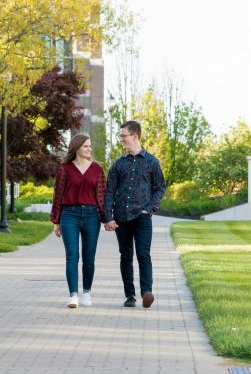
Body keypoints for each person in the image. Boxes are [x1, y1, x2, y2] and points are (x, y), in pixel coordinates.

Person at [103, 120, 166, 308]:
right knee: (125, 256)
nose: (121, 139)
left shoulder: (152, 162)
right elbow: (109, 191)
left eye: (124, 136)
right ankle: (130, 295)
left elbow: (160, 188)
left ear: (135, 136)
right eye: (120, 136)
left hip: (142, 217)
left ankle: (147, 292)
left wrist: (150, 208)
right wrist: (108, 216)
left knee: (143, 254)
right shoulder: (118, 164)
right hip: (121, 218)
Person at [51, 134, 108, 308]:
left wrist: (106, 219)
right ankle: (73, 295)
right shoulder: (65, 168)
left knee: (89, 258)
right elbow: (58, 194)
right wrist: (56, 221)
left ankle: (86, 293)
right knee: (72, 256)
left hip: (92, 216)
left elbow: (101, 196)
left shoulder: (97, 169)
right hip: (70, 215)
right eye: (86, 146)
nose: (89, 149)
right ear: (76, 148)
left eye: (90, 146)